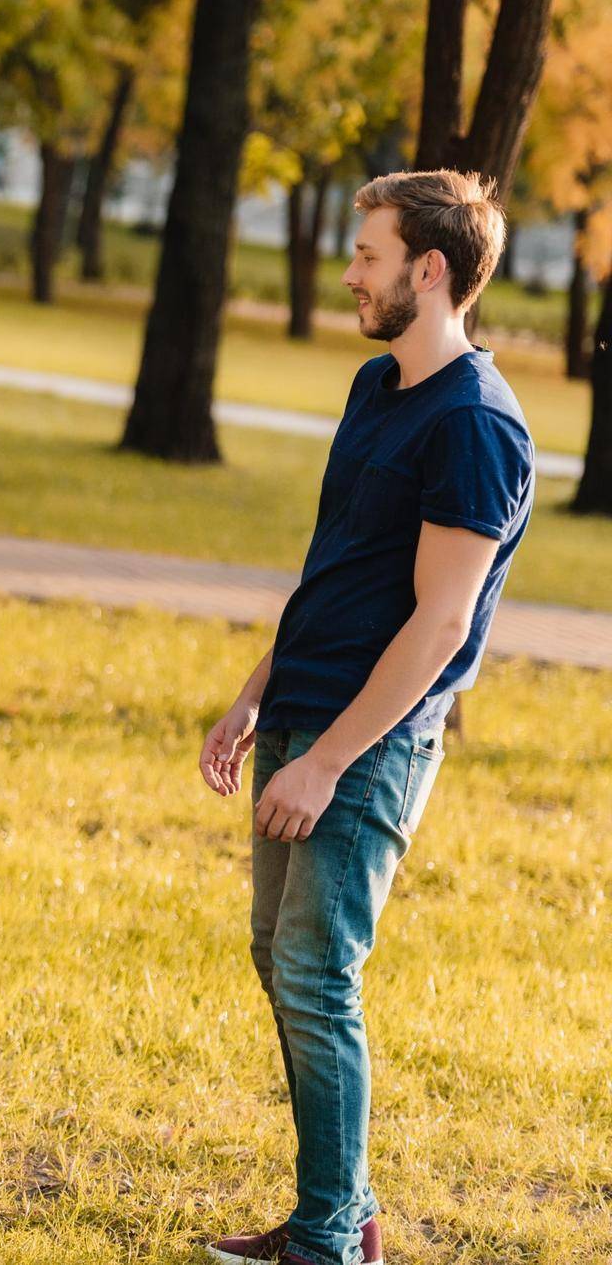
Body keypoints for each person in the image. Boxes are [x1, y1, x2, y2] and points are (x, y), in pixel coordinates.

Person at [199, 171, 534, 1265]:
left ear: (428, 271)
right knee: (282, 960)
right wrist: (257, 691)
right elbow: (339, 567)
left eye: (368, 255)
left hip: (368, 745)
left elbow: (440, 627)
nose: (348, 273)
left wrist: (330, 759)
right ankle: (345, 1209)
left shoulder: (477, 424)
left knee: (314, 971)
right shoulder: (375, 386)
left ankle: (328, 1240)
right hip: (301, 710)